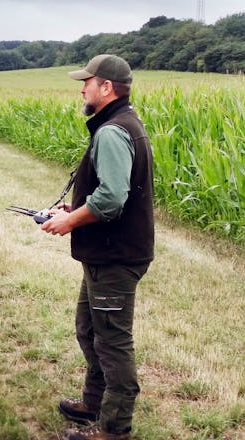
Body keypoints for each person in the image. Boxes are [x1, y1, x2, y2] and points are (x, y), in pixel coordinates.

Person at [40, 54, 155, 440]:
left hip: (115, 256)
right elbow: (109, 192)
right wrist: (76, 207)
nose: (82, 88)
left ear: (106, 87)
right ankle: (93, 403)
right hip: (105, 253)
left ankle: (114, 429)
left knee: (112, 342)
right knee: (89, 331)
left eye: (87, 82)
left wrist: (69, 221)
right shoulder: (121, 124)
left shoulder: (111, 131)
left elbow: (112, 199)